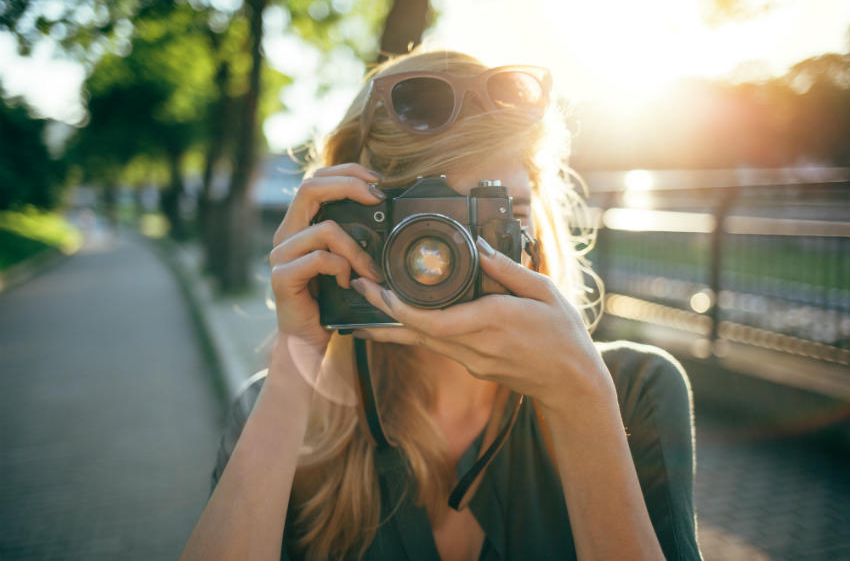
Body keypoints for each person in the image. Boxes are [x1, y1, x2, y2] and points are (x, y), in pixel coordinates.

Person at [181, 48, 703, 561]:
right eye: (419, 214)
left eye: (494, 210)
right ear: (340, 221)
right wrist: (296, 361)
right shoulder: (272, 410)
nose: (449, 251)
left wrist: (582, 397)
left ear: (535, 229)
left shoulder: (636, 392)